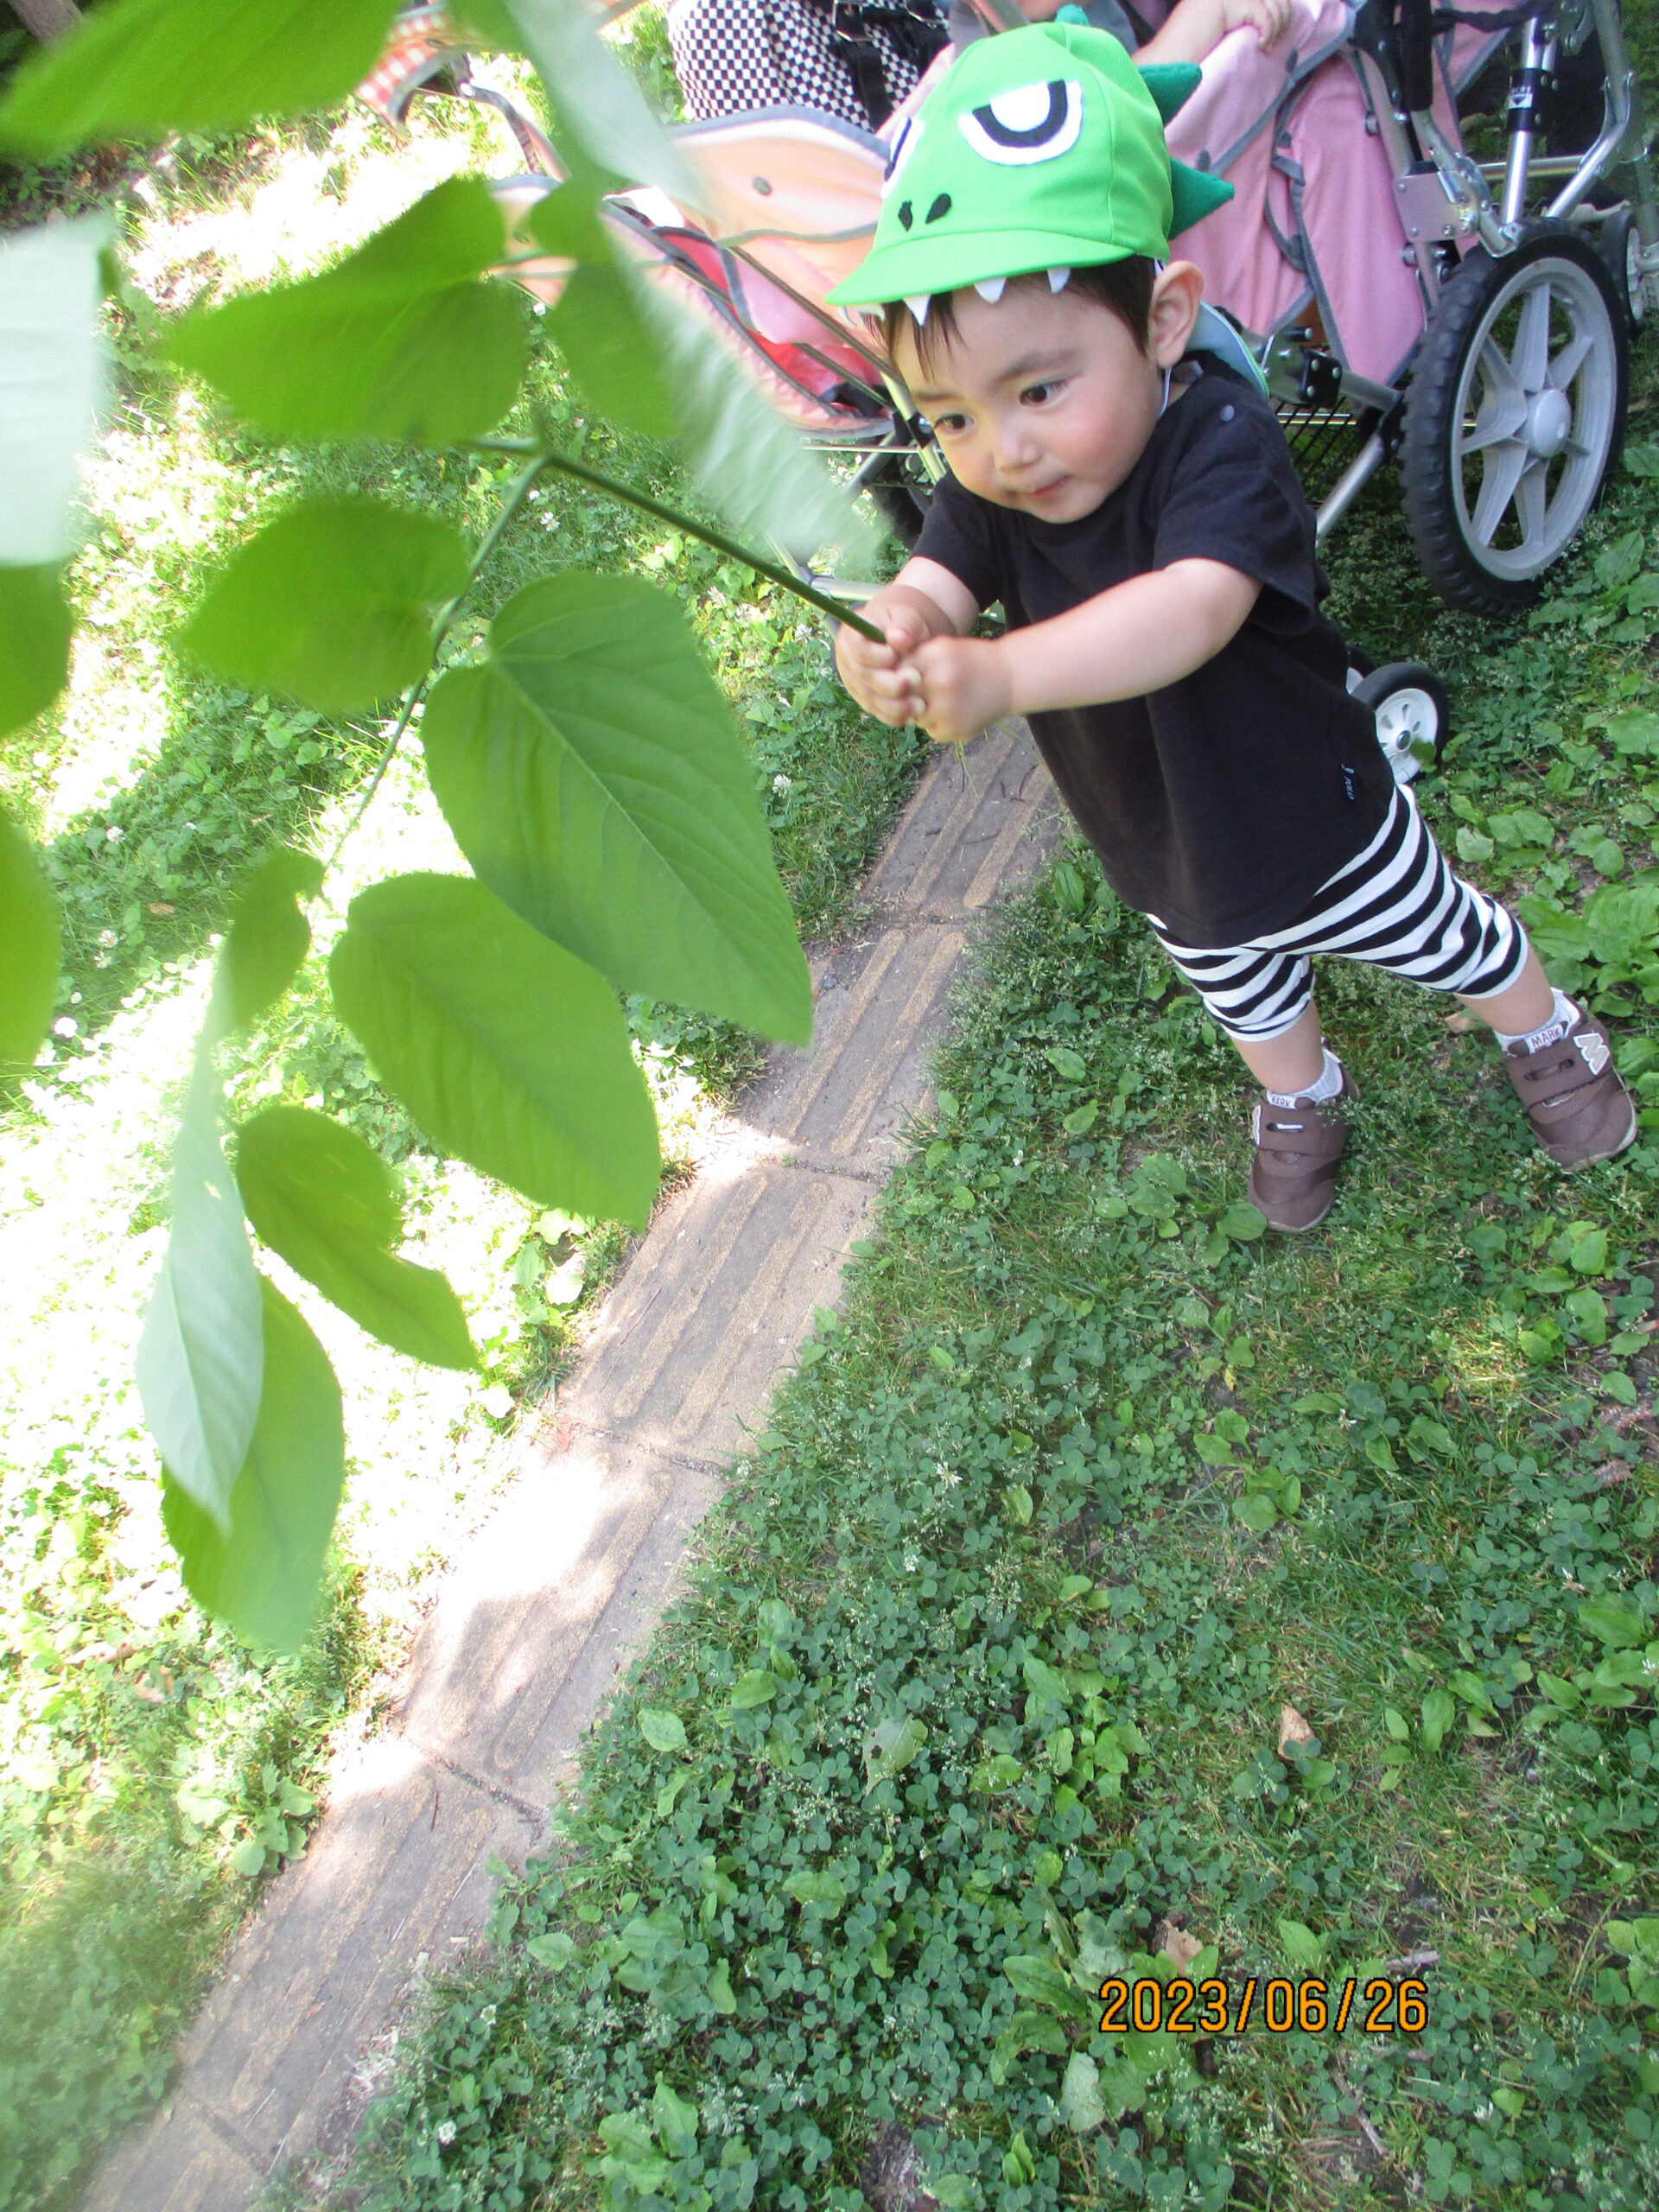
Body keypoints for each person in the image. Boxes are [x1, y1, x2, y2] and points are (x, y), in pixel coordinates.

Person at [827, 16, 1635, 1230]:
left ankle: (1546, 1033)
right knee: (1240, 987)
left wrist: (999, 674)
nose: (1005, 447)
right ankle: (1302, 1093)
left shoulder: (1219, 441)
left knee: (1444, 938)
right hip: (1160, 835)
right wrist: (883, 630)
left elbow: (1191, 611)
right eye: (950, 418)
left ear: (1161, 321)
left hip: (1318, 814)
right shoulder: (995, 489)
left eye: (1040, 389)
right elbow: (934, 580)